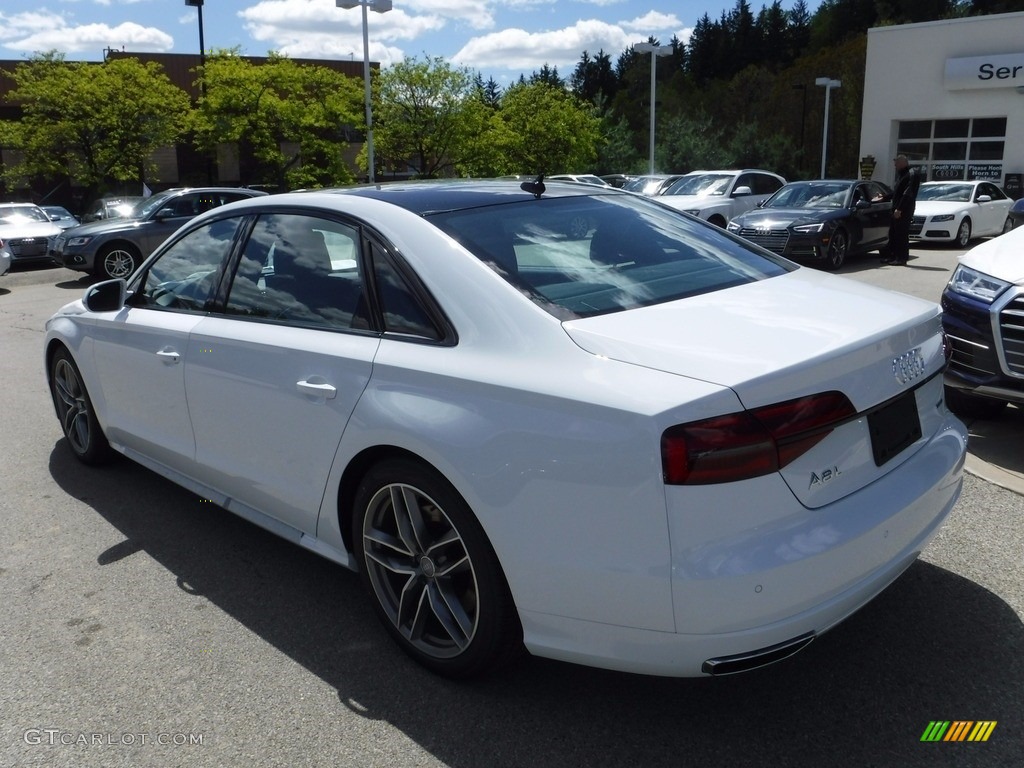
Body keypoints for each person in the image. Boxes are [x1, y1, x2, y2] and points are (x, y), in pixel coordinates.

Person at [881, 155, 921, 265]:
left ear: (902, 162)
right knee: (893, 233)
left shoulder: (912, 174)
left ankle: (901, 258)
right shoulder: (902, 175)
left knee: (901, 234)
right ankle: (892, 256)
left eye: (896, 164)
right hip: (897, 208)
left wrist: (899, 209)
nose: (895, 166)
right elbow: (897, 192)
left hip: (904, 209)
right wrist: (884, 197)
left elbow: (908, 193)